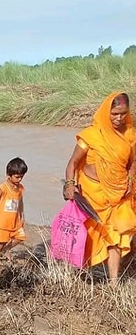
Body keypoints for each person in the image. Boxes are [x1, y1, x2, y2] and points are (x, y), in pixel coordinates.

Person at [63, 92, 136, 284]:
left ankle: (113, 282)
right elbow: (72, 162)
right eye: (114, 114)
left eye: (123, 113)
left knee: (117, 235)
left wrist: (130, 178)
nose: (119, 118)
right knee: (89, 235)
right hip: (92, 194)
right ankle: (79, 273)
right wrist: (70, 184)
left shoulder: (130, 134)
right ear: (106, 112)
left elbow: (133, 161)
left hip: (120, 195)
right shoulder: (91, 135)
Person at [0, 157, 28, 261]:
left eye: (21, 177)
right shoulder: (3, 187)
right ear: (9, 175)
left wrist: (22, 216)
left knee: (20, 237)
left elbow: (20, 203)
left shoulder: (20, 188)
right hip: (3, 221)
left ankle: (6, 249)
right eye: (17, 177)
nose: (19, 179)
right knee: (2, 241)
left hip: (15, 220)